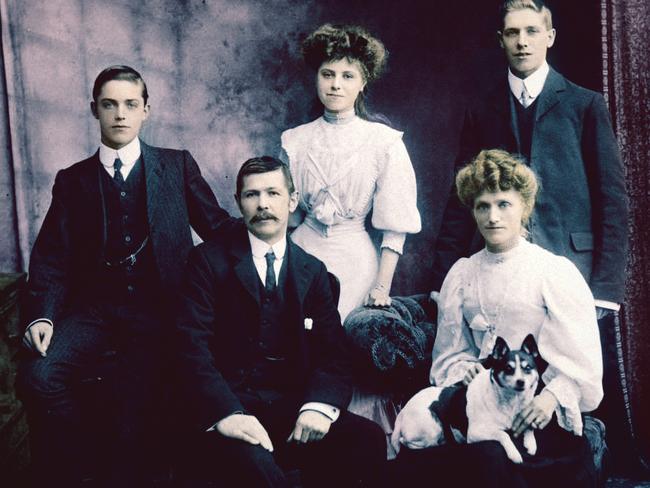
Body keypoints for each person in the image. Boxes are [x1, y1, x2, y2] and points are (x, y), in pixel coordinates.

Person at [17, 65, 230, 487]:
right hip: (94, 311)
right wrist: (41, 316)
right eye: (110, 105)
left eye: (131, 105)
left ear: (146, 110)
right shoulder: (72, 180)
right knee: (39, 378)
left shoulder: (176, 166)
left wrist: (269, 229)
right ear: (94, 110)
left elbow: (219, 229)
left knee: (141, 408)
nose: (120, 114)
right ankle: (84, 468)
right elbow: (51, 259)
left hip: (163, 308)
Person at [391, 149, 603, 487]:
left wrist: (549, 399)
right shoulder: (462, 274)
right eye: (482, 206)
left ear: (524, 208)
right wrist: (466, 369)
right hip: (484, 408)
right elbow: (449, 355)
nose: (493, 217)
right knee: (475, 457)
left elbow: (583, 362)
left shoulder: (553, 272)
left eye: (504, 204)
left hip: (539, 410)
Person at [174, 156, 386, 487]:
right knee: (260, 470)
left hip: (291, 409)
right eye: (252, 195)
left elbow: (334, 355)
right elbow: (191, 348)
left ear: (292, 200)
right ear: (239, 203)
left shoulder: (312, 271)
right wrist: (227, 414)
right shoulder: (207, 261)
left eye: (273, 193)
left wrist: (317, 406)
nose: (263, 205)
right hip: (232, 410)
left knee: (367, 439)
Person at [280, 23, 421, 322]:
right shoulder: (294, 140)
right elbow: (287, 218)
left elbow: (395, 227)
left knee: (340, 346)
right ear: (317, 78)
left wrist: (381, 287)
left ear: (362, 83)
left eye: (347, 76)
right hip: (301, 253)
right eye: (327, 74)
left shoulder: (383, 142)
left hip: (355, 262)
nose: (335, 85)